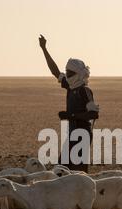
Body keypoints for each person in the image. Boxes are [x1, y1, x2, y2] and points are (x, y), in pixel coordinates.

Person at [39, 34, 99, 173]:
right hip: (74, 133)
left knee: (75, 169)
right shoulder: (70, 86)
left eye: (69, 72)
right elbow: (55, 71)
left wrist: (70, 115)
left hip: (83, 132)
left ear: (78, 73)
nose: (67, 75)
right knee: (65, 168)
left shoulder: (85, 91)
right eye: (66, 72)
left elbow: (93, 114)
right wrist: (44, 49)